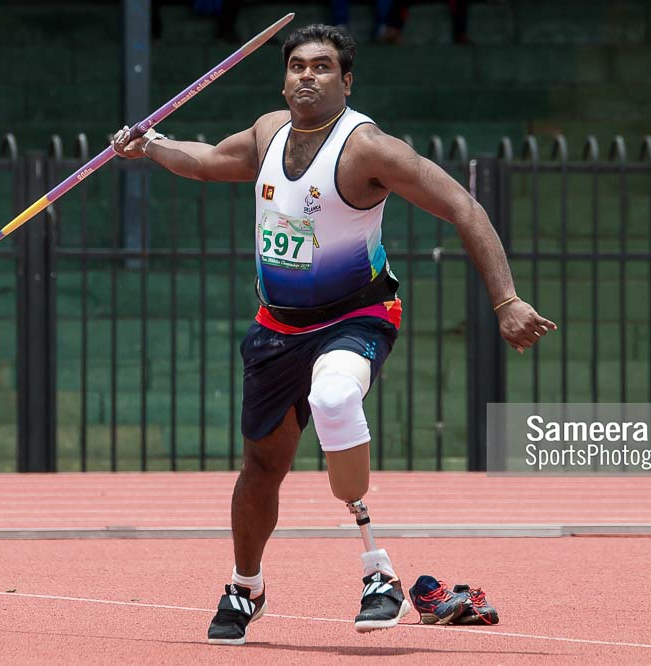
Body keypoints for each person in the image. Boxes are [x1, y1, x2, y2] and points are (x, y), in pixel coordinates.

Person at [112, 24, 554, 645]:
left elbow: (464, 207)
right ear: (283, 80)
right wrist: (151, 145)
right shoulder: (269, 133)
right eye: (297, 66)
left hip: (356, 315)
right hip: (277, 326)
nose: (307, 76)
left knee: (336, 395)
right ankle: (245, 586)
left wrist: (506, 300)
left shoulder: (368, 149)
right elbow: (208, 162)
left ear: (347, 81)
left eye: (322, 67)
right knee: (261, 466)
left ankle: (379, 573)